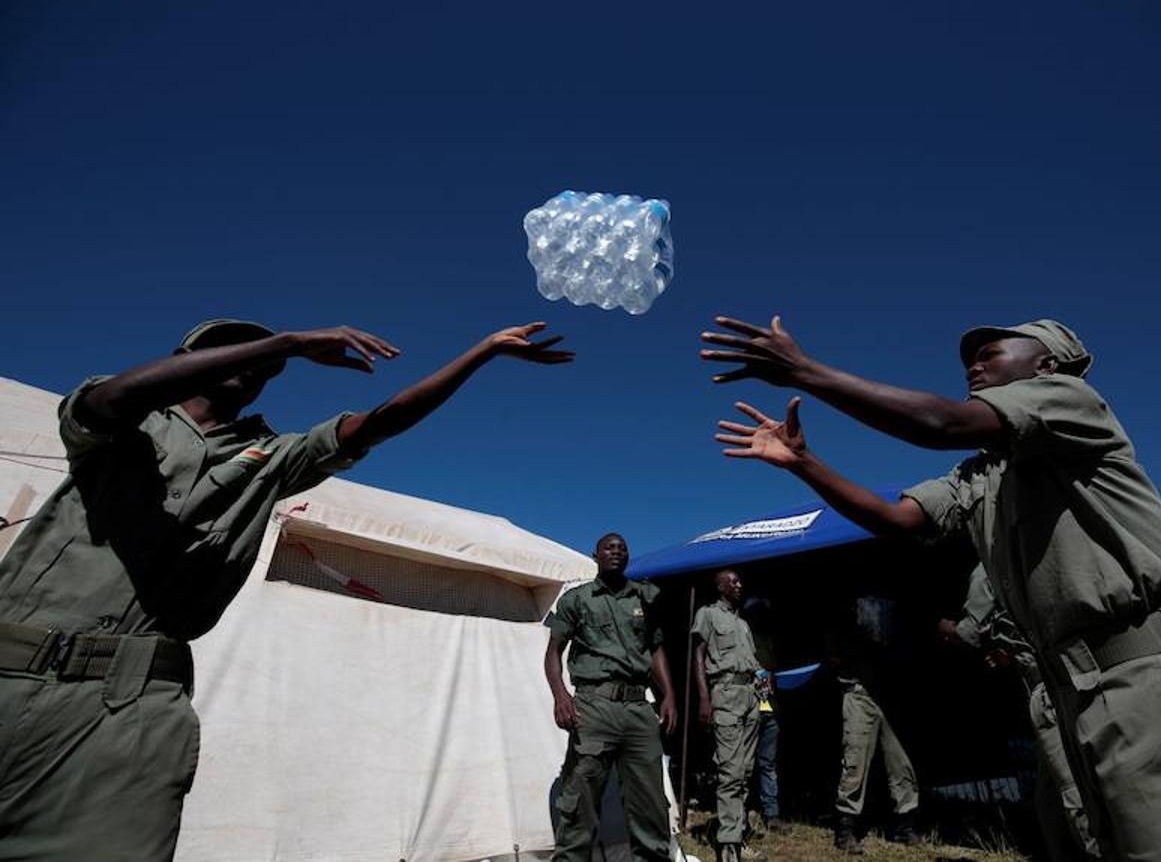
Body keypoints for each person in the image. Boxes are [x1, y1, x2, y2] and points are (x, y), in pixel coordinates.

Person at [701, 314, 1161, 862]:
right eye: (971, 356)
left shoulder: (1072, 402)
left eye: (992, 351)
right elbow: (898, 520)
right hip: (1062, 692)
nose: (974, 364)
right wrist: (804, 464)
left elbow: (938, 422)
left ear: (1047, 365)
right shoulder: (983, 471)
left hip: (1147, 677)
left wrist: (806, 372)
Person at [0, 317, 573, 861]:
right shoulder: (127, 421)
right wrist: (289, 343)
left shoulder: (270, 458)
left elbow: (381, 421)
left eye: (258, 359)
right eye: (225, 348)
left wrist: (483, 351)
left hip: (128, 709)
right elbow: (108, 401)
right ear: (183, 361)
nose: (247, 362)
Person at [939, 565, 1099, 861]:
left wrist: (944, 628)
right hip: (1077, 676)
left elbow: (971, 631)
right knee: (1053, 795)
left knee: (1071, 793)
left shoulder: (989, 565)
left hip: (1048, 689)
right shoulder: (1039, 554)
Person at [545, 533, 678, 862]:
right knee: (581, 801)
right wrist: (560, 695)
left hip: (638, 708)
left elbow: (655, 648)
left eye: (622, 548)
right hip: (594, 707)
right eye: (609, 548)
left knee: (649, 800)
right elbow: (553, 653)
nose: (616, 552)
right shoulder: (577, 599)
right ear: (596, 555)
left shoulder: (644, 598)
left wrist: (669, 695)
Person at [825, 594, 920, 853]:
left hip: (889, 692)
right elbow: (832, 655)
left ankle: (905, 827)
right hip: (860, 692)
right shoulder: (845, 615)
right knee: (855, 760)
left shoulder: (893, 610)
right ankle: (845, 830)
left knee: (901, 763)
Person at [692, 569, 761, 862]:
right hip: (725, 695)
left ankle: (739, 835)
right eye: (732, 582)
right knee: (730, 773)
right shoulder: (708, 614)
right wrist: (704, 698)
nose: (739, 585)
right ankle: (728, 845)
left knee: (745, 772)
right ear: (720, 587)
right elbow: (698, 655)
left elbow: (749, 661)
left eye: (739, 581)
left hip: (750, 696)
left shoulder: (743, 623)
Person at [741, 597, 786, 836]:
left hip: (770, 708)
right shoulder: (742, 639)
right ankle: (744, 812)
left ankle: (772, 814)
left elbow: (774, 671)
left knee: (767, 764)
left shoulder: (769, 640)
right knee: (746, 765)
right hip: (749, 709)